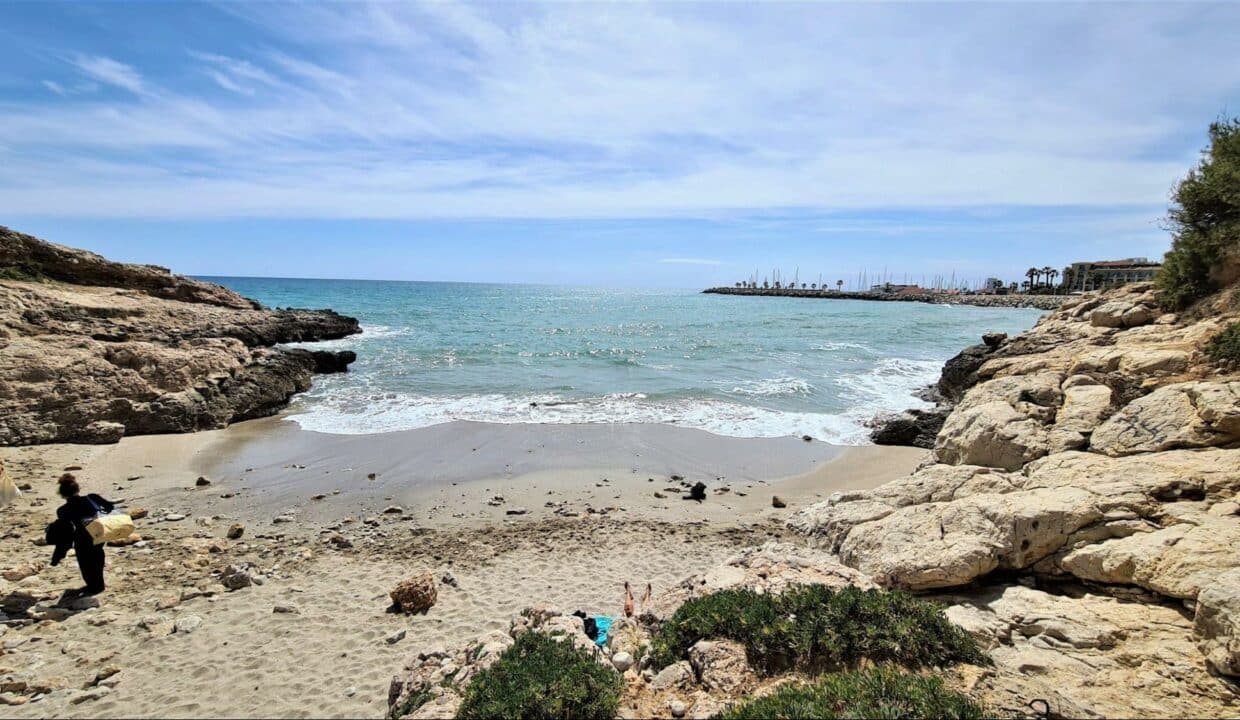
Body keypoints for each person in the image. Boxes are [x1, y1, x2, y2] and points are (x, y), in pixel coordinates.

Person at [49, 475, 114, 596]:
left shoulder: (63, 510)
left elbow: (66, 530)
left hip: (81, 536)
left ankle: (93, 586)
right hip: (98, 532)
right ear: (77, 489)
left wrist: (58, 553)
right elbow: (110, 507)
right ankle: (99, 584)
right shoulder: (92, 498)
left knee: (85, 563)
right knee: (98, 556)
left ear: (62, 494)